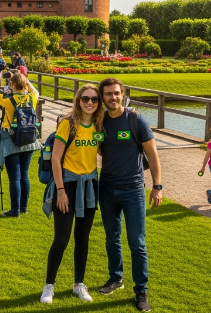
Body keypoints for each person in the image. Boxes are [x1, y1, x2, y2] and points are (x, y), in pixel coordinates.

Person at [96, 78, 162, 311]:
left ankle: (141, 290)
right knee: (112, 238)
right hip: (106, 188)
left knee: (137, 243)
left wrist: (157, 186)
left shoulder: (136, 120)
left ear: (122, 94)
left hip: (133, 189)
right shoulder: (99, 121)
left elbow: (152, 155)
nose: (112, 98)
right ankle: (116, 278)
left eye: (116, 93)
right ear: (102, 97)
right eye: (107, 94)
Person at [40, 85, 104, 304]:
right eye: (85, 98)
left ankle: (79, 284)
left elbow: (104, 150)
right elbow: (56, 159)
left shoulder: (99, 125)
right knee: (61, 239)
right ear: (78, 100)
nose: (90, 102)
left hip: (89, 184)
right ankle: (49, 286)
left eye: (94, 99)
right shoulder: (68, 124)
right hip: (67, 185)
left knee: (83, 239)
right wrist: (60, 191)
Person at [0, 72, 39, 217]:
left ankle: (14, 211)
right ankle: (24, 207)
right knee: (24, 175)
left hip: (12, 138)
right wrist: (26, 81)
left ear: (12, 84)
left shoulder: (7, 100)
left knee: (14, 177)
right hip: (29, 139)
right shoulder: (32, 97)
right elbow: (36, 91)